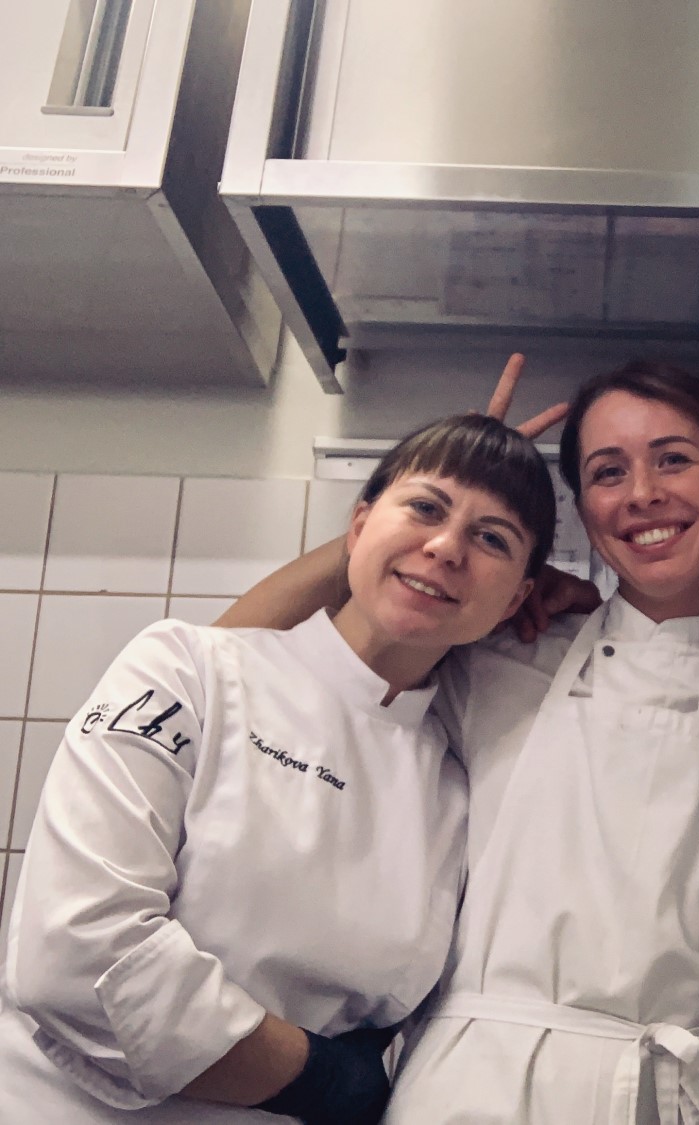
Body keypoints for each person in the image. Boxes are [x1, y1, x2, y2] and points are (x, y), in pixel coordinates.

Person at [223, 360, 699, 1124]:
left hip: (689, 1096)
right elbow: (238, 664)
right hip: (476, 1087)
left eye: (672, 458)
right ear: (584, 511)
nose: (642, 493)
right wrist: (438, 489)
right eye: (608, 472)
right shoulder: (504, 650)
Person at [0, 414, 554, 1125]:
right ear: (359, 526)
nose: (446, 547)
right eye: (425, 507)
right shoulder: (186, 667)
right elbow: (77, 956)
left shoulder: (454, 791)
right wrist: (325, 1080)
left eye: (492, 538)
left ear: (515, 599)